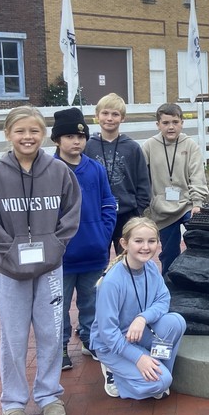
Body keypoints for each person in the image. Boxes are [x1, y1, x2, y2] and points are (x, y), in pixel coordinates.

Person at [0, 105, 81, 415]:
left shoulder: (59, 171)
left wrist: (56, 247)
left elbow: (71, 212)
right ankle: (13, 404)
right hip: (11, 272)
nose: (27, 137)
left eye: (33, 131)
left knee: (50, 333)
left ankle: (49, 396)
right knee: (14, 336)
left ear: (42, 134)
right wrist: (8, 253)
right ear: (8, 134)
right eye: (20, 131)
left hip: (49, 268)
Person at [91, 217, 187, 399]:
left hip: (139, 333)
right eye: (138, 241)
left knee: (176, 321)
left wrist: (142, 318)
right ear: (124, 243)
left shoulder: (150, 267)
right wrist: (138, 358)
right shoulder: (112, 282)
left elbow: (163, 299)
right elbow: (108, 332)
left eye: (151, 241)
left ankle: (155, 369)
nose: (145, 247)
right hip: (112, 344)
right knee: (161, 382)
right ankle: (116, 373)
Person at [52, 107, 117, 370]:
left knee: (92, 302)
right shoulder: (48, 170)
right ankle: (60, 349)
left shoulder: (95, 169)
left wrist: (103, 235)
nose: (76, 141)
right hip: (61, 257)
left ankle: (90, 339)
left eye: (80, 136)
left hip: (94, 252)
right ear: (57, 140)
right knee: (60, 306)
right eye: (69, 136)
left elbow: (108, 203)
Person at [142, 103, 209, 276]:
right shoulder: (149, 146)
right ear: (158, 124)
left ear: (182, 123)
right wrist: (147, 202)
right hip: (162, 209)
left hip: (187, 205)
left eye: (175, 122)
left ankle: (198, 279)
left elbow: (197, 175)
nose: (171, 126)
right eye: (165, 123)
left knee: (201, 243)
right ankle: (168, 286)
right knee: (169, 253)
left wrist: (197, 202)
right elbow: (141, 177)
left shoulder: (190, 145)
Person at [85, 93, 151, 255]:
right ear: (97, 115)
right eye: (105, 113)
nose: (109, 118)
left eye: (115, 114)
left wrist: (137, 210)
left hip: (126, 214)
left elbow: (143, 181)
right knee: (99, 259)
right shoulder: (87, 147)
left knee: (127, 259)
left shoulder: (133, 148)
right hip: (98, 213)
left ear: (123, 118)